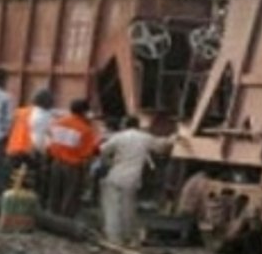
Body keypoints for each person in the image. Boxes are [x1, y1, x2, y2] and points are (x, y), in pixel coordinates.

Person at [99, 115, 180, 244]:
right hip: (132, 179)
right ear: (137, 125)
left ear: (124, 124)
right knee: (128, 209)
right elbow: (161, 146)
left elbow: (102, 150)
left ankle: (113, 237)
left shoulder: (119, 136)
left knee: (112, 207)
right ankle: (130, 237)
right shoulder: (145, 138)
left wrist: (108, 162)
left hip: (115, 175)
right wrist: (175, 137)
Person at [46, 99, 99, 218]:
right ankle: (65, 221)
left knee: (54, 192)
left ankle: (51, 217)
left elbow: (50, 142)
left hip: (56, 162)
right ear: (84, 112)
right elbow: (88, 152)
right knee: (70, 196)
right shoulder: (85, 129)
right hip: (72, 166)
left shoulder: (58, 122)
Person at [6, 89, 54, 199]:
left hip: (13, 149)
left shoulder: (20, 112)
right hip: (27, 153)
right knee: (27, 184)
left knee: (13, 182)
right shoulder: (43, 116)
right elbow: (39, 140)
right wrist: (44, 153)